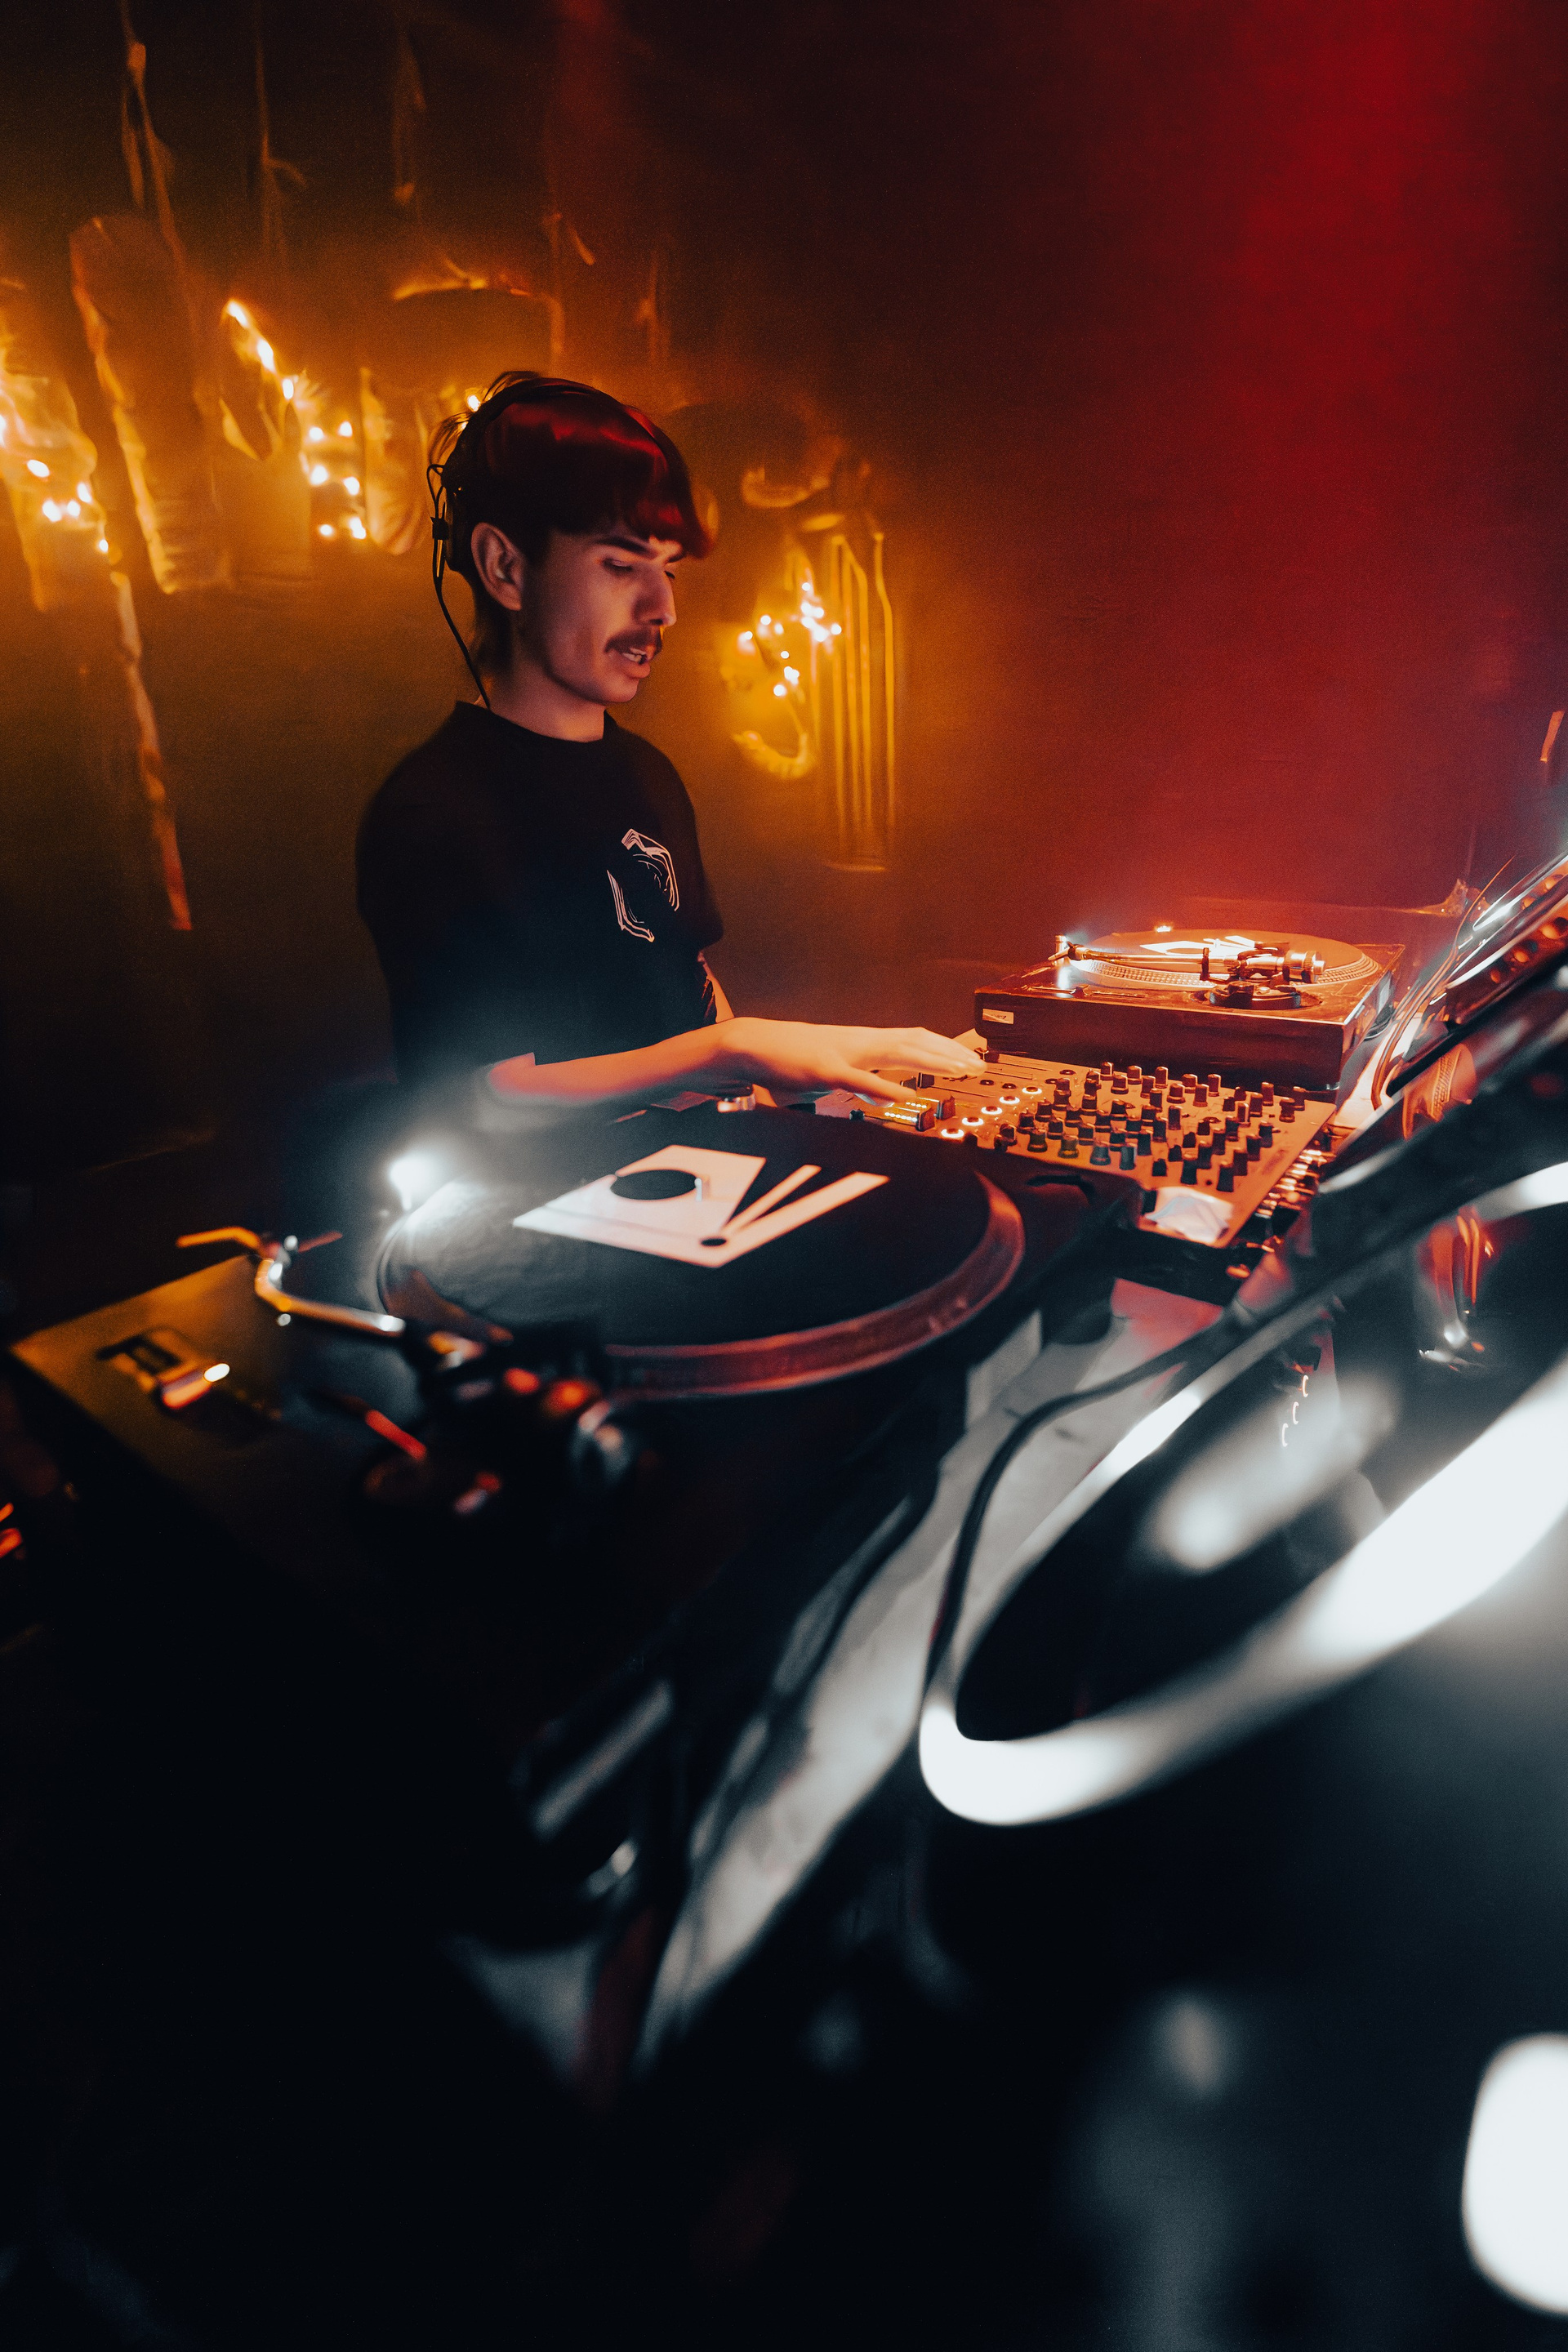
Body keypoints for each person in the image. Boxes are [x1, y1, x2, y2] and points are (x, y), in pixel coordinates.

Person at [356, 373, 976, 1125]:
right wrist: (728, 1053)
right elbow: (477, 1100)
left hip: (701, 1169)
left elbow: (692, 982)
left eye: (669, 571)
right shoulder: (435, 810)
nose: (664, 609)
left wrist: (786, 1088)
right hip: (552, 1194)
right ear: (505, 568)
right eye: (621, 567)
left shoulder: (648, 773)